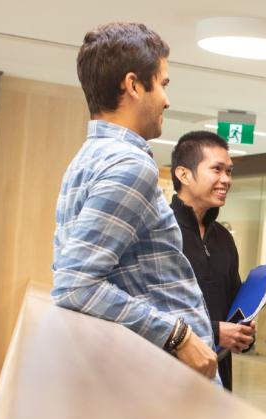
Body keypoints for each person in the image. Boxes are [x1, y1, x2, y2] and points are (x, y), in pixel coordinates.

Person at [52, 22, 217, 381]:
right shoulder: (129, 165)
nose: (167, 99)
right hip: (163, 372)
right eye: (162, 84)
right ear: (132, 85)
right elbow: (75, 285)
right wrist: (178, 334)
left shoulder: (87, 158)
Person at [169, 130, 256, 391]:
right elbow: (150, 311)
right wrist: (215, 330)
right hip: (167, 377)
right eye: (217, 170)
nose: (226, 180)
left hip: (217, 381)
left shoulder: (224, 239)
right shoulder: (160, 232)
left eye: (229, 171)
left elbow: (233, 307)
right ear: (184, 174)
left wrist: (244, 334)